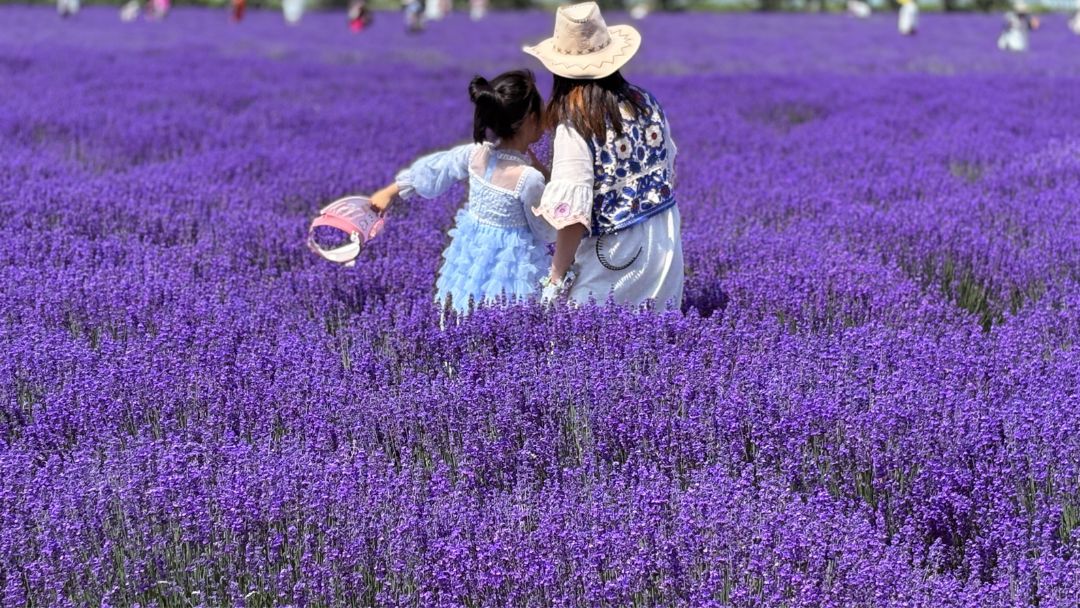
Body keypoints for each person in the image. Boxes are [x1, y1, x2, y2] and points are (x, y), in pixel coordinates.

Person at [524, 2, 683, 309]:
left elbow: (572, 216)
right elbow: (668, 166)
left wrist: (556, 278)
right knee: (657, 329)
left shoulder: (578, 121)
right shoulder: (644, 101)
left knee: (581, 332)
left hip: (616, 250)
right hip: (664, 241)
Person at [368, 71, 553, 316]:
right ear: (531, 119)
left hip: (469, 256)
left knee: (462, 310)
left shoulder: (476, 154)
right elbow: (545, 230)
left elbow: (435, 170)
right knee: (510, 319)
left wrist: (390, 192)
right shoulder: (528, 178)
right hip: (510, 265)